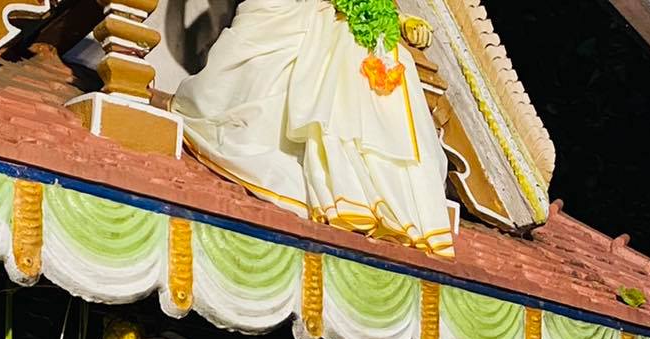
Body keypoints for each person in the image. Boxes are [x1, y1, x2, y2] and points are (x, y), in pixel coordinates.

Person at [172, 1, 455, 253]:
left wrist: (399, 19)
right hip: (289, 13)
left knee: (374, 52)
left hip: (331, 18)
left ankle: (377, 192)